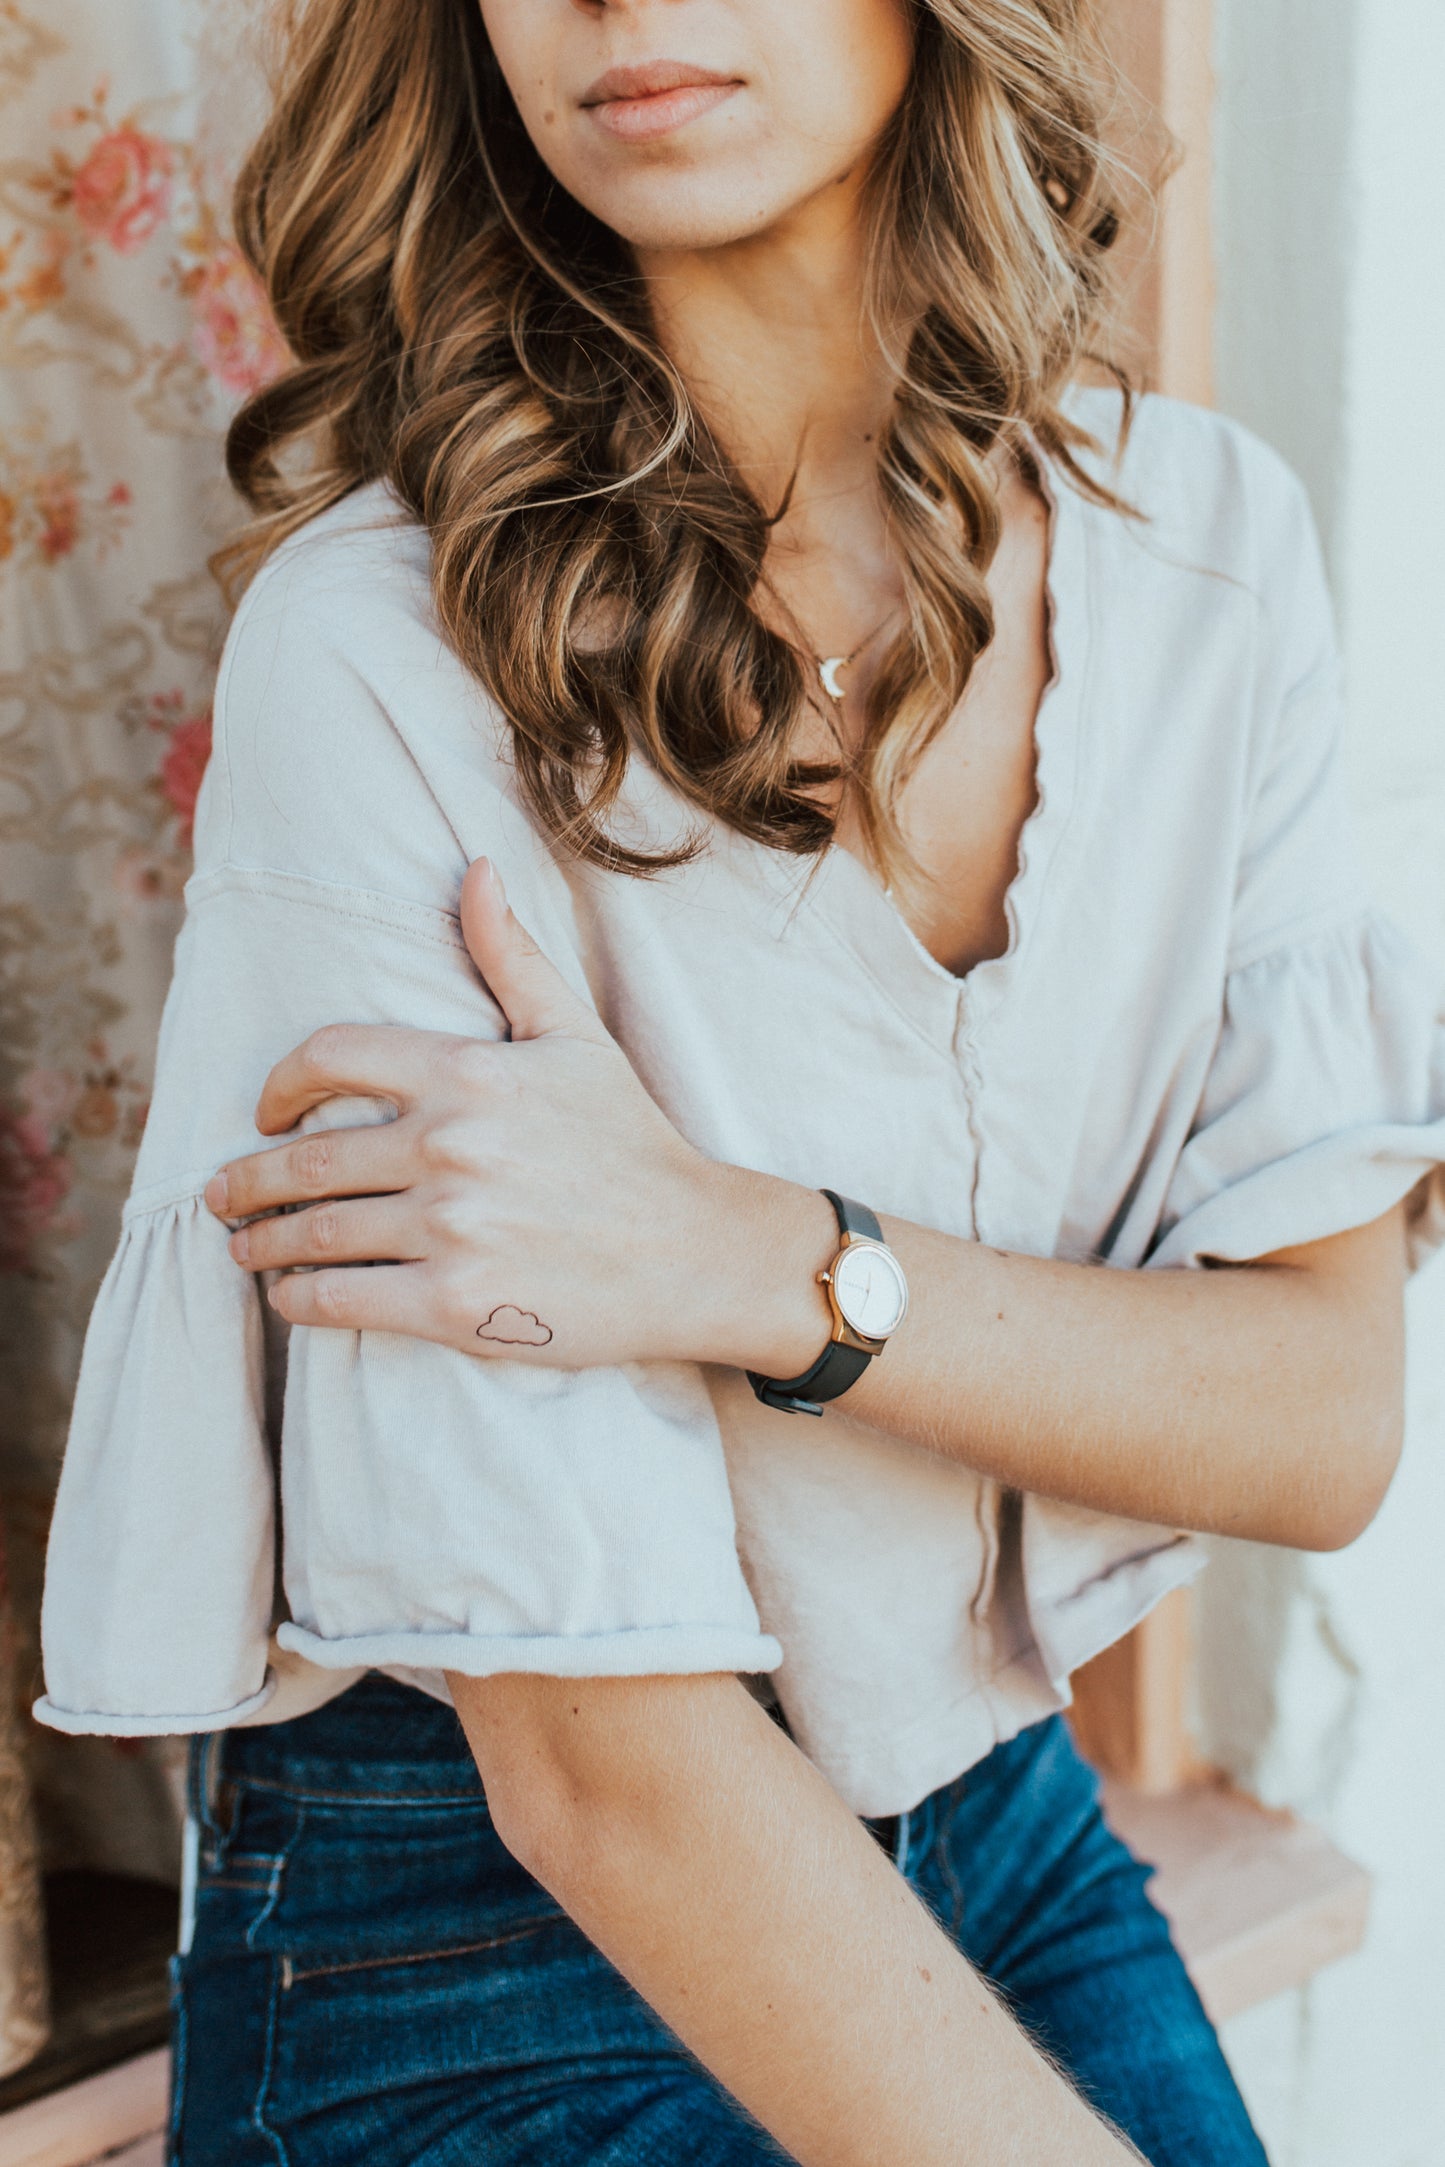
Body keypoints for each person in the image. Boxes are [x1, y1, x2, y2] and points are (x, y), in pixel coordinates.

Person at [35, 0, 1445, 2162]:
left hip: (994, 1812)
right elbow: (597, 1771)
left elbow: (1320, 1421)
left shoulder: (1205, 551)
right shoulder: (382, 653)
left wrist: (756, 1263)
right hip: (472, 1924)